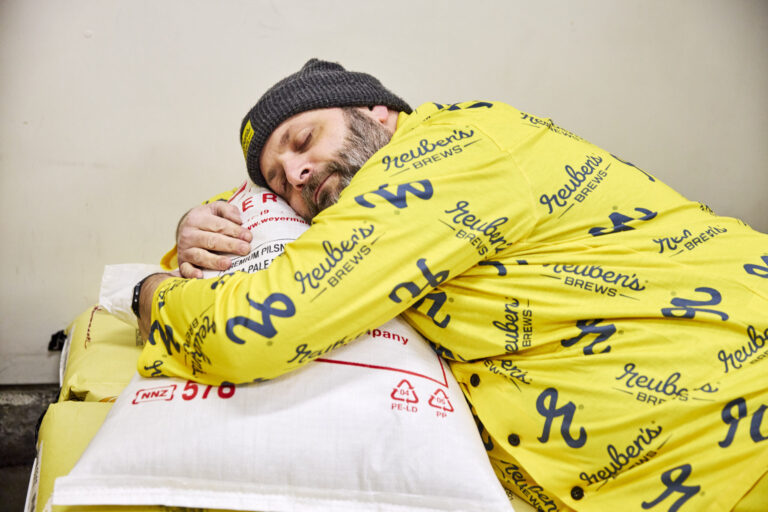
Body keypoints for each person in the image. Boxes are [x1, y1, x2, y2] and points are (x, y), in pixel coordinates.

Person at [135, 59, 768, 511]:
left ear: (378, 112)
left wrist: (149, 295)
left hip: (737, 426)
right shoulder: (375, 216)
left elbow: (253, 328)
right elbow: (275, 240)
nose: (296, 174)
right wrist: (192, 233)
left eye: (304, 140)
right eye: (279, 181)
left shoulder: (442, 154)